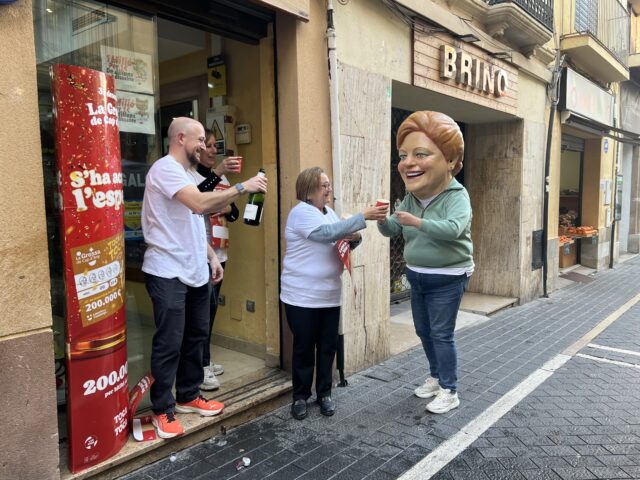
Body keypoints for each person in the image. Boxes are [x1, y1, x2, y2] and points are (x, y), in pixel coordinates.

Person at [142, 117, 267, 439]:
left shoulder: (186, 175)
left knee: (196, 336)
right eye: (200, 140)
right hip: (167, 271)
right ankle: (162, 409)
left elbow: (194, 220)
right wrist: (242, 187)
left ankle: (188, 395)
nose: (203, 146)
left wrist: (211, 257)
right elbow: (199, 203)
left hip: (195, 269)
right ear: (180, 138)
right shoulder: (165, 169)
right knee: (170, 342)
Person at [378, 111, 473, 414]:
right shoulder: (412, 198)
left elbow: (453, 229)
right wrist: (381, 219)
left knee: (441, 334)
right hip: (416, 276)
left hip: (448, 277)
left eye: (420, 154)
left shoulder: (457, 196)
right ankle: (436, 376)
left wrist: (417, 222)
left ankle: (450, 389)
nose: (408, 163)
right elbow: (392, 229)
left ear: (451, 161)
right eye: (403, 155)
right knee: (424, 331)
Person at [280, 167, 388, 420]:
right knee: (304, 348)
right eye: (324, 185)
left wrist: (354, 238)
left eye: (329, 185)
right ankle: (300, 397)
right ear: (309, 190)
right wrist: (363, 216)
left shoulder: (328, 213)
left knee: (328, 347)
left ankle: (324, 394)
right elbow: (327, 234)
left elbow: (338, 239)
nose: (329, 189)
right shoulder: (300, 213)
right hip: (302, 297)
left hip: (329, 295)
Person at [193, 131, 240, 391]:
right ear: (197, 149)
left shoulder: (221, 179)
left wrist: (227, 207)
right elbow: (197, 201)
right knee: (203, 314)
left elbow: (234, 211)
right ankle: (201, 367)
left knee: (210, 313)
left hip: (221, 253)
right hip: (202, 254)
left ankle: (205, 360)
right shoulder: (193, 177)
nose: (212, 150)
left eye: (215, 145)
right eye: (207, 145)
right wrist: (218, 173)